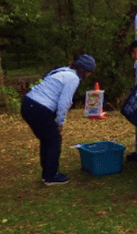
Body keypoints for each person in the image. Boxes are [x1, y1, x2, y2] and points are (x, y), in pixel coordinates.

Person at [21, 54, 96, 186]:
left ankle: (47, 173)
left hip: (29, 103)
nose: (89, 75)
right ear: (84, 70)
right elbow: (64, 102)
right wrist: (60, 122)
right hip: (39, 108)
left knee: (47, 140)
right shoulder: (73, 78)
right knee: (54, 140)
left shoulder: (63, 71)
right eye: (89, 72)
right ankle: (51, 176)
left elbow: (52, 91)